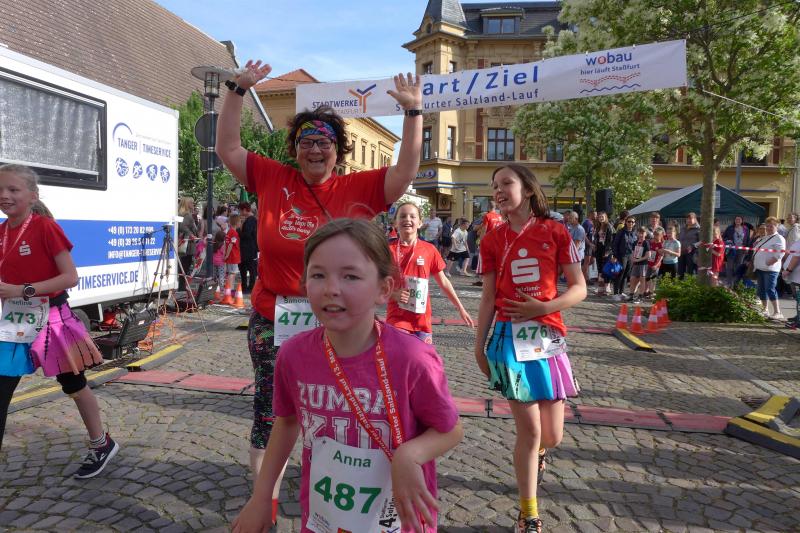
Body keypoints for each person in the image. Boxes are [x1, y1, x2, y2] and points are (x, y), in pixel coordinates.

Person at [216, 59, 423, 525]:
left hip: (343, 325)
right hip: (274, 318)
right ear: (294, 149)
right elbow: (227, 146)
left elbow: (406, 170)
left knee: (341, 410)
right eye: (306, 141)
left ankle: (340, 496)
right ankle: (265, 506)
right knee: (273, 414)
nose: (315, 149)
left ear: (337, 151)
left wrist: (413, 114)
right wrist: (236, 90)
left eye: (324, 142)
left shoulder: (360, 187)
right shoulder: (272, 178)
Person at [232, 219, 463, 533]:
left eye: (350, 276)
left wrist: (411, 454)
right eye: (318, 275)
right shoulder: (293, 355)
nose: (331, 289)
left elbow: (450, 429)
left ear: (384, 289)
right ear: (304, 284)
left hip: (399, 522)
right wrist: (262, 497)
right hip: (324, 521)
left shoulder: (413, 358)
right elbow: (286, 422)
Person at [474, 164, 585, 532]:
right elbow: (487, 297)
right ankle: (528, 514)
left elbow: (579, 288)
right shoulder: (492, 239)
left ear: (528, 188)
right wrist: (479, 345)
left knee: (552, 436)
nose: (498, 190)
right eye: (494, 185)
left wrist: (543, 308)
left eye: (506, 183)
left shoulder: (556, 231)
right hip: (508, 340)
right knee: (531, 431)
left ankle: (539, 455)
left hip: (548, 338)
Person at [0, 164, 118, 477]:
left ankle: (101, 443)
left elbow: (70, 277)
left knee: (74, 384)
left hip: (52, 318)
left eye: (13, 189)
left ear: (32, 195)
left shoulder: (46, 228)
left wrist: (21, 290)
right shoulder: (2, 232)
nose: (4, 195)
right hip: (15, 323)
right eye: (0, 190)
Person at [388, 202, 474, 344]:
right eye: (402, 216)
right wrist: (393, 294)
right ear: (396, 223)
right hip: (397, 319)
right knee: (401, 356)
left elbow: (444, 281)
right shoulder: (387, 249)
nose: (407, 219)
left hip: (422, 321)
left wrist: (460, 308)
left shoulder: (429, 249)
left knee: (422, 358)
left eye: (412, 216)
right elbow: (373, 284)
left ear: (420, 223)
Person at [751, 217, 786, 319]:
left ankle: (777, 312)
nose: (769, 228)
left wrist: (771, 261)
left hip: (770, 269)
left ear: (777, 226)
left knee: (770, 289)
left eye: (771, 226)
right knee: (761, 290)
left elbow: (781, 253)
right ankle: (765, 309)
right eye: (768, 226)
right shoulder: (765, 237)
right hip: (760, 268)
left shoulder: (779, 238)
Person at [611, 216, 637, 301]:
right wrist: (615, 255)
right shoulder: (621, 232)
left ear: (634, 223)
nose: (630, 223)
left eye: (632, 222)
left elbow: (635, 245)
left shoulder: (634, 233)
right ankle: (615, 293)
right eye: (629, 221)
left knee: (626, 274)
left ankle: (621, 292)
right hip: (621, 255)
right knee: (619, 273)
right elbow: (615, 244)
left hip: (630, 255)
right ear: (626, 222)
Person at [177, 196, 200, 290]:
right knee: (185, 265)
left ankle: (182, 285)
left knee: (183, 265)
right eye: (192, 203)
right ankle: (182, 286)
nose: (193, 204)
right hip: (187, 244)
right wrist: (191, 235)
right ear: (187, 204)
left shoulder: (181, 214)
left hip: (184, 243)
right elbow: (183, 227)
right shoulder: (187, 215)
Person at [723, 216, 752, 286]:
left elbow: (748, 239)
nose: (738, 220)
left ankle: (736, 283)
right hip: (731, 250)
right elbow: (724, 237)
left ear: (742, 221)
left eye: (739, 219)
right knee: (730, 266)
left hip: (741, 250)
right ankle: (729, 283)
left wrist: (747, 248)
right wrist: (728, 241)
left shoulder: (746, 229)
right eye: (736, 219)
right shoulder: (730, 228)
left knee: (738, 266)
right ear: (734, 220)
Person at [238, 201, 258, 294]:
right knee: (248, 268)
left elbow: (247, 235)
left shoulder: (250, 220)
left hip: (248, 249)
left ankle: (249, 287)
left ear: (245, 210)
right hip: (249, 248)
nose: (240, 213)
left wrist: (238, 230)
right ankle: (247, 287)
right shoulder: (251, 219)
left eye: (240, 210)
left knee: (247, 268)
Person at [593, 211, 614, 295]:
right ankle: (600, 288)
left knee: (606, 269)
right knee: (600, 269)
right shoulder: (598, 226)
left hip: (606, 250)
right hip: (599, 249)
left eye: (602, 217)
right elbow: (596, 238)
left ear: (605, 217)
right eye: (599, 217)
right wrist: (594, 245)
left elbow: (611, 240)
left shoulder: (609, 226)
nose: (601, 218)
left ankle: (607, 288)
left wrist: (608, 251)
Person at [628, 227, 650, 303]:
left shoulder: (646, 243)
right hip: (635, 264)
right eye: (639, 233)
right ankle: (631, 295)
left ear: (645, 234)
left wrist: (639, 259)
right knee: (632, 279)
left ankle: (640, 296)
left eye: (642, 233)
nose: (641, 235)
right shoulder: (635, 242)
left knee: (642, 280)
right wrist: (632, 258)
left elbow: (648, 255)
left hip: (643, 264)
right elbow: (632, 252)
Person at [781, 235, 800, 328]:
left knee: (799, 299)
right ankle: (798, 317)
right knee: (797, 299)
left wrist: (788, 270)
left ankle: (798, 321)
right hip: (795, 277)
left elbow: (796, 257)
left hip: (797, 277)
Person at [224, 213, 242, 298]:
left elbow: (226, 244)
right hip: (233, 256)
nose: (240, 223)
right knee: (232, 273)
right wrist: (227, 255)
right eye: (240, 222)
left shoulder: (229, 232)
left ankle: (230, 290)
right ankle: (229, 290)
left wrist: (226, 254)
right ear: (237, 222)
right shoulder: (234, 233)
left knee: (231, 273)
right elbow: (230, 245)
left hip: (232, 256)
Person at [678, 212, 700, 278]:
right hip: (681, 252)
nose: (688, 220)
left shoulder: (699, 229)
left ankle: (690, 284)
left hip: (692, 253)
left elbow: (701, 242)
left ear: (695, 219)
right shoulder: (682, 228)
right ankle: (679, 284)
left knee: (690, 272)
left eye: (690, 218)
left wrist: (692, 246)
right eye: (687, 219)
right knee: (680, 271)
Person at [645, 227, 665, 297]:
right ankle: (650, 291)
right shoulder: (652, 243)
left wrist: (656, 265)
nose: (656, 236)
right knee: (647, 277)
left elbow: (661, 256)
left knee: (653, 278)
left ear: (661, 236)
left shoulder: (661, 244)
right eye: (655, 235)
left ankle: (652, 292)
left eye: (657, 235)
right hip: (649, 263)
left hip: (656, 264)